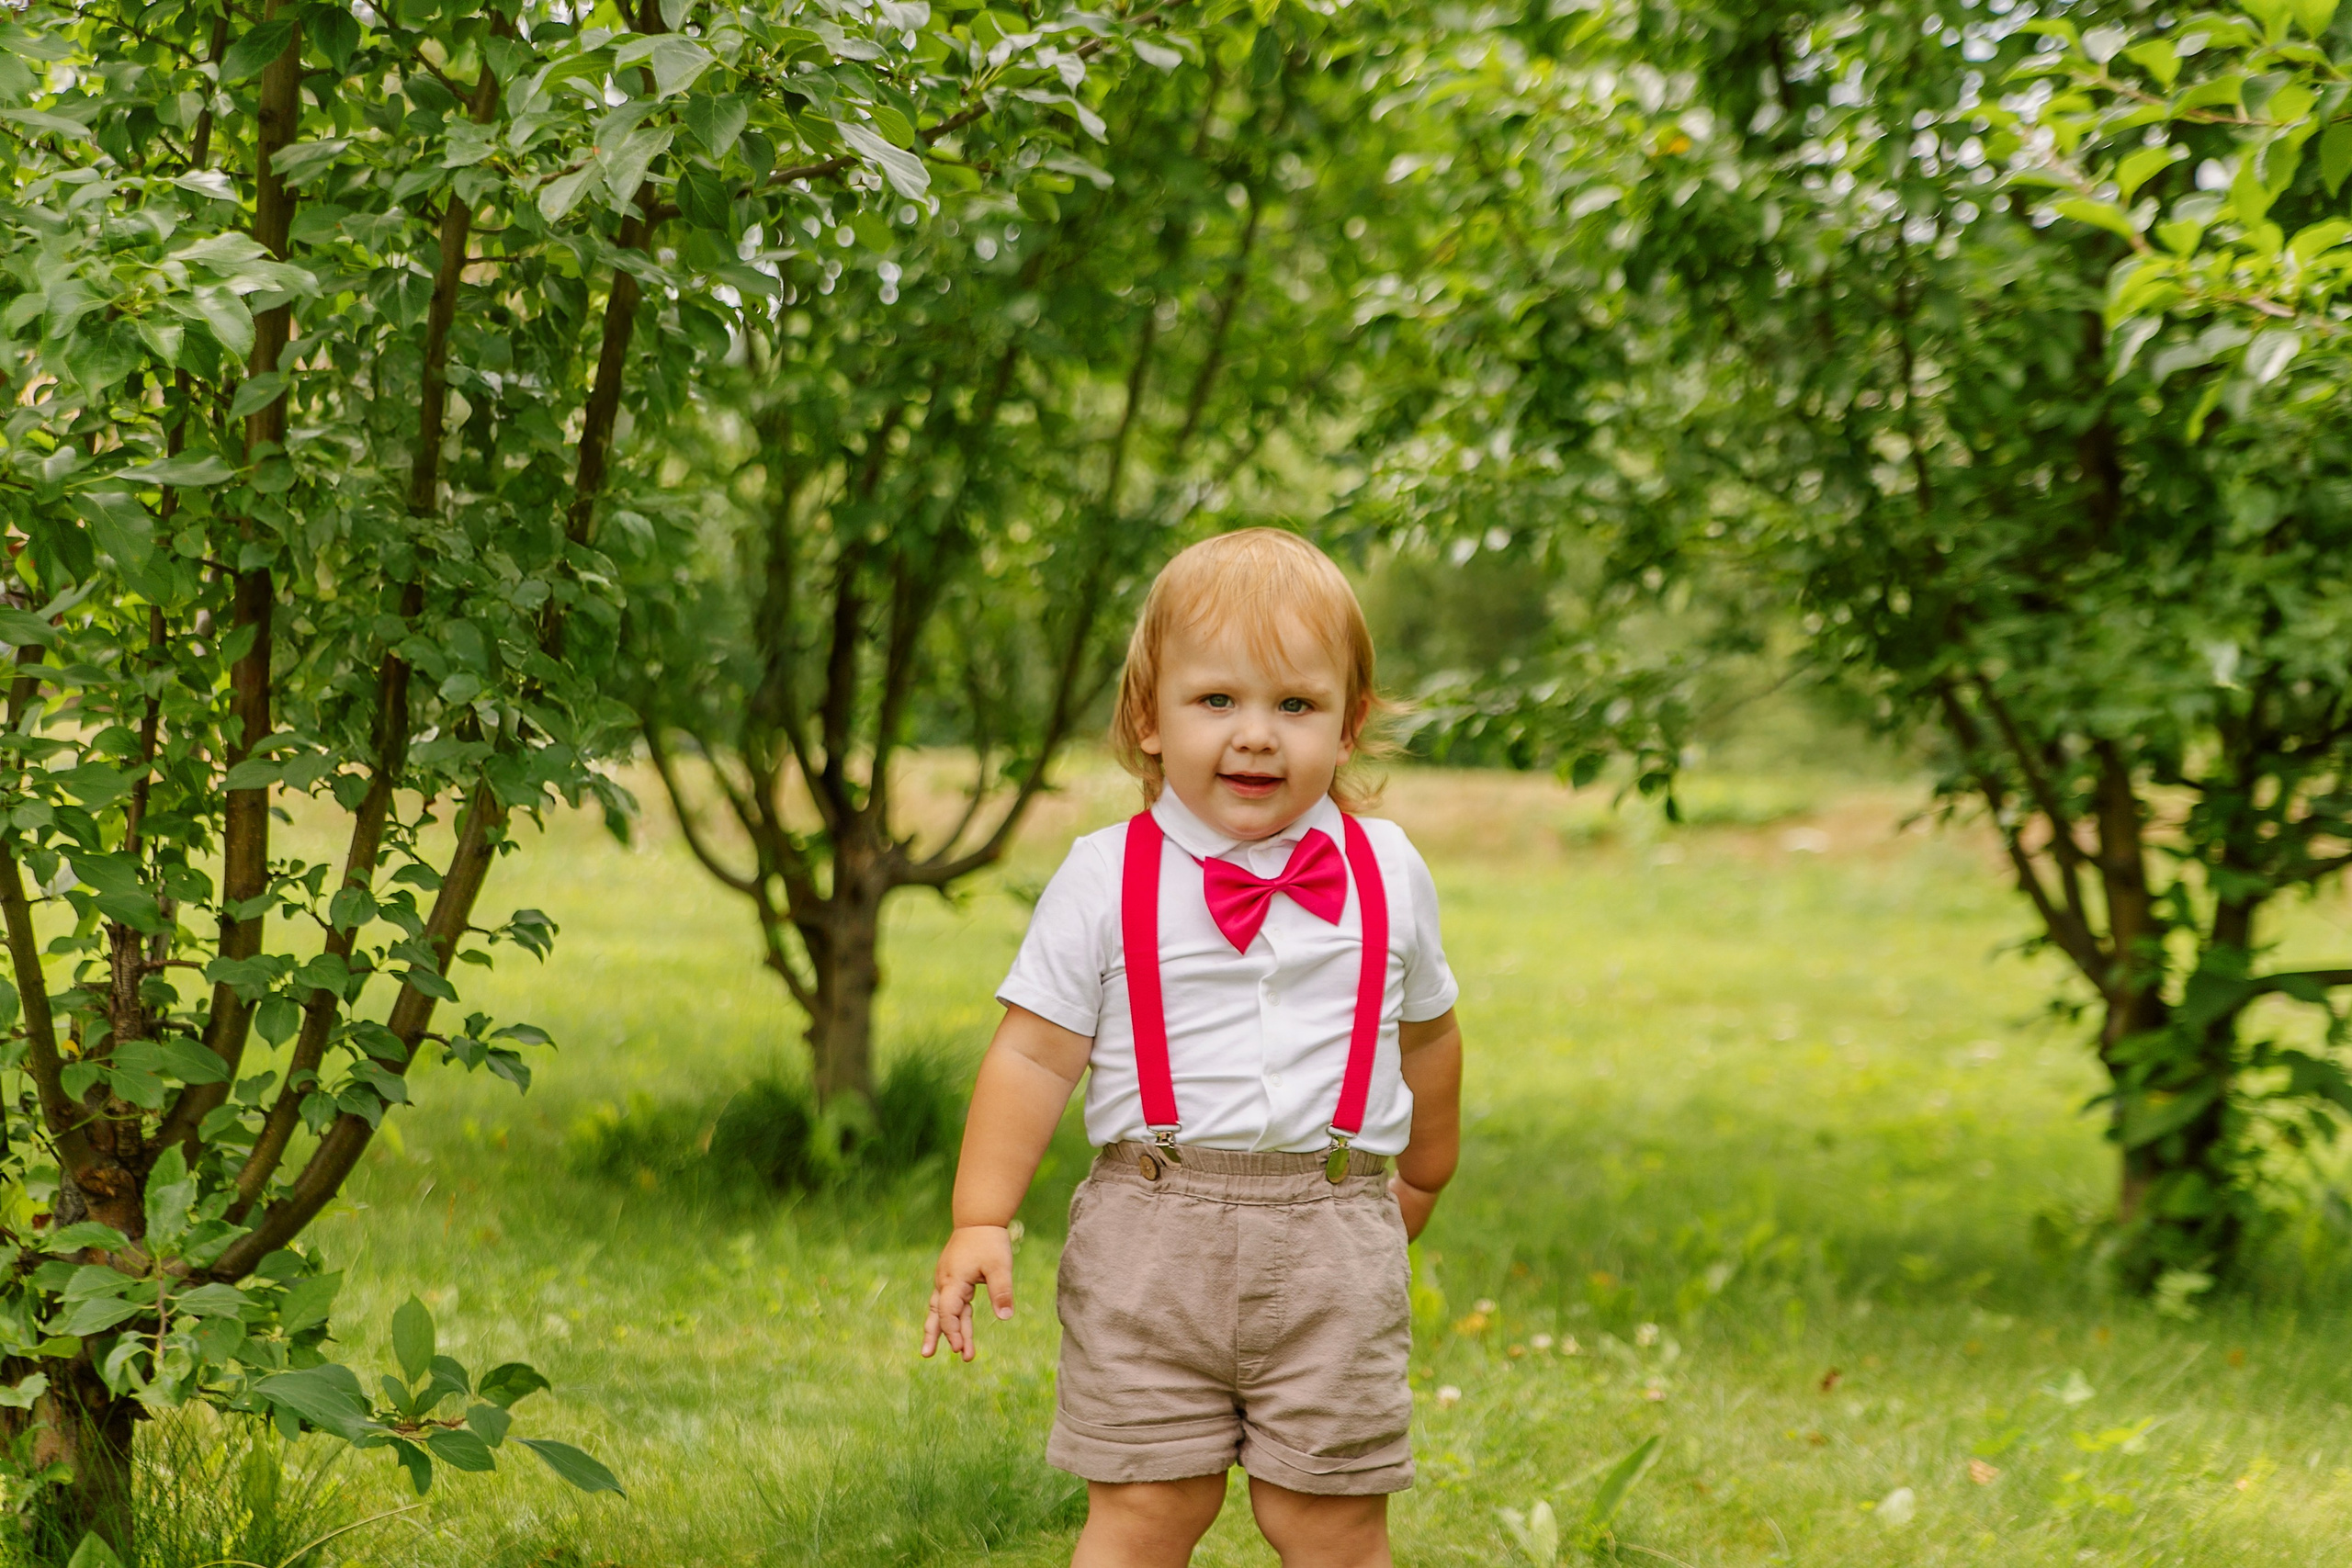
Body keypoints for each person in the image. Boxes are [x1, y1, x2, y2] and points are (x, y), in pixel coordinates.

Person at [921, 529, 1465, 1568]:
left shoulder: (1387, 869)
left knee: (1331, 1524)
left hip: (1335, 1241)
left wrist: (1427, 1168)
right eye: (1217, 701)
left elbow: (1426, 1028)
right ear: (1148, 720)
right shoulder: (1103, 874)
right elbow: (1033, 1056)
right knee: (1145, 1510)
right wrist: (980, 1215)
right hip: (1149, 1240)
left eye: (1294, 706)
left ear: (1348, 727)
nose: (1256, 736)